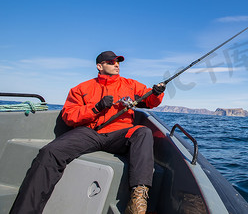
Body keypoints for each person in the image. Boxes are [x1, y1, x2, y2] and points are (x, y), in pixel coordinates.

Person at [10, 51, 165, 214]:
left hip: (119, 133)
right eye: (111, 62)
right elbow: (69, 116)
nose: (116, 65)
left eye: (118, 62)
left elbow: (149, 101)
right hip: (90, 132)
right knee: (50, 152)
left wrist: (156, 93)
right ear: (100, 66)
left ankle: (138, 202)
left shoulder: (131, 84)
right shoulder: (81, 88)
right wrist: (95, 108)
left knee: (143, 132)